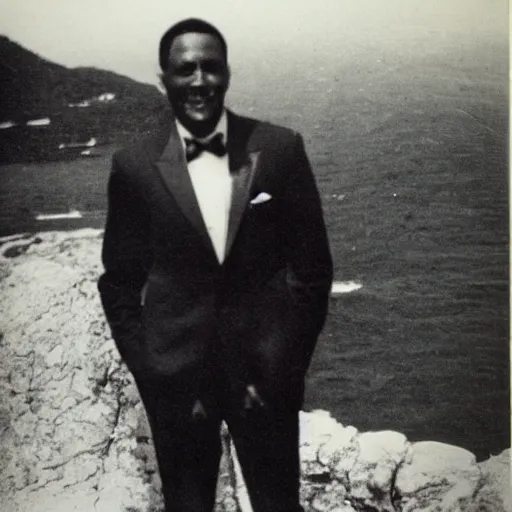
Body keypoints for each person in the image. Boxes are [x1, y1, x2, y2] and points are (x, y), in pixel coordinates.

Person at [98, 17, 333, 512]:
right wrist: (153, 371)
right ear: (164, 78)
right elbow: (119, 281)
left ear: (227, 73)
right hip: (178, 390)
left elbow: (313, 270)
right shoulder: (134, 166)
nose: (200, 80)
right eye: (186, 70)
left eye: (211, 67)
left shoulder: (280, 149)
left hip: (265, 386)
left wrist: (284, 367)